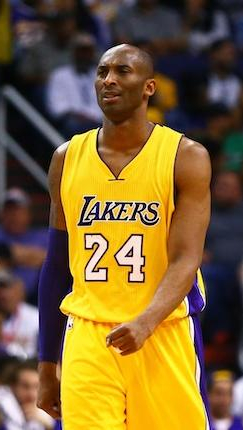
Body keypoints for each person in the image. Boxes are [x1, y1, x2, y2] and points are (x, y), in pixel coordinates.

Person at [37, 43, 212, 428]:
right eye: (102, 72)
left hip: (162, 330)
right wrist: (47, 363)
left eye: (122, 71)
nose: (109, 80)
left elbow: (186, 259)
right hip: (89, 334)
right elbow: (56, 265)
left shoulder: (185, 156)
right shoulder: (66, 157)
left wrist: (146, 321)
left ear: (149, 87)